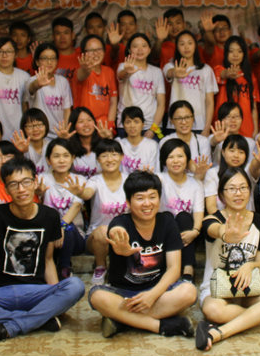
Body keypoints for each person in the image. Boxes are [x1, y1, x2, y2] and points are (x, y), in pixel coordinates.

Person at [0, 156, 86, 347]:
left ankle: (9, 325)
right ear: (6, 189)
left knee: (75, 285)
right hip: (0, 293)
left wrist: (56, 295)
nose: (21, 189)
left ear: (35, 182)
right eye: (14, 184)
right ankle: (38, 320)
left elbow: (48, 260)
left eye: (26, 182)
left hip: (36, 292)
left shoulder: (50, 216)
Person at [195, 167, 260, 352]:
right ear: (221, 194)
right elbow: (215, 230)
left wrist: (249, 266)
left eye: (243, 188)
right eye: (232, 189)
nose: (239, 193)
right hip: (217, 287)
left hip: (249, 286)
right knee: (214, 311)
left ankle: (219, 332)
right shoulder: (212, 220)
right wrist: (226, 234)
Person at [87, 171, 197, 338]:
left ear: (159, 199)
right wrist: (121, 247)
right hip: (124, 294)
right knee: (97, 296)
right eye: (140, 198)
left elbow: (174, 269)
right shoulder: (120, 222)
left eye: (152, 197)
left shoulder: (167, 222)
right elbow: (116, 231)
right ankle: (162, 325)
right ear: (128, 202)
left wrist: (151, 296)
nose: (147, 203)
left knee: (189, 292)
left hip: (158, 292)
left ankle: (122, 321)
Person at [39, 138, 94, 278]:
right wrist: (38, 193)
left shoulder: (79, 180)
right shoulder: (42, 179)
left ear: (72, 158)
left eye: (66, 155)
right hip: (49, 236)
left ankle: (64, 269)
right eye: (56, 156)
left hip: (74, 237)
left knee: (68, 228)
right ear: (48, 160)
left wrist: (61, 227)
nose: (61, 160)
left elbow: (76, 206)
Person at [157, 139, 205, 280]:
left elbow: (198, 212)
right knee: (167, 216)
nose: (175, 161)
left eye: (180, 156)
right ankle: (173, 269)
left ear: (187, 159)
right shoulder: (159, 179)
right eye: (170, 157)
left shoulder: (195, 184)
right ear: (164, 160)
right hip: (164, 229)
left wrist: (195, 231)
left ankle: (188, 268)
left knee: (184, 216)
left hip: (186, 232)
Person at [85, 139, 129, 285]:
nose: (109, 159)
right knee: (104, 230)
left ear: (122, 157)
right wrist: (80, 192)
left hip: (124, 235)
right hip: (97, 238)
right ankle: (100, 267)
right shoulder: (94, 180)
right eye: (104, 156)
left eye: (114, 154)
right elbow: (87, 193)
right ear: (98, 159)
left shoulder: (129, 180)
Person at [163, 30, 218, 135]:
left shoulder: (206, 69)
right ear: (177, 47)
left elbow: (209, 102)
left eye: (190, 43)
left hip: (199, 124)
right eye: (182, 44)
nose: (186, 47)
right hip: (175, 124)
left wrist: (207, 127)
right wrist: (175, 72)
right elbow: (169, 73)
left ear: (195, 45)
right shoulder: (170, 66)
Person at [116, 33, 166, 139]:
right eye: (135, 46)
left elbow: (161, 104)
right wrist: (127, 71)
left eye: (144, 46)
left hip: (151, 126)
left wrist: (153, 129)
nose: (140, 49)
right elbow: (121, 75)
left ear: (149, 49)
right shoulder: (123, 66)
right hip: (127, 125)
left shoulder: (157, 72)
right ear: (129, 50)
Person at [213, 36, 260, 138]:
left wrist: (255, 129)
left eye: (239, 51)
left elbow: (254, 106)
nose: (235, 55)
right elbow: (221, 74)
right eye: (231, 51)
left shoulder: (250, 76)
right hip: (223, 128)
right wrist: (228, 74)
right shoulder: (218, 69)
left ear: (244, 54)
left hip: (247, 127)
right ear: (226, 53)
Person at [26, 42, 72, 139]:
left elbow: (66, 110)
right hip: (40, 136)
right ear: (37, 62)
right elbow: (32, 88)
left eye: (52, 58)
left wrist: (65, 131)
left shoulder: (63, 81)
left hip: (59, 135)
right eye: (45, 58)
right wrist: (38, 84)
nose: (49, 62)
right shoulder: (32, 80)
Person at [76, 34, 118, 126]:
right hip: (85, 126)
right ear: (83, 53)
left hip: (104, 125)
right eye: (91, 50)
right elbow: (82, 75)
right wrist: (86, 69)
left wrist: (110, 125)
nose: (95, 53)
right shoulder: (80, 71)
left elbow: (113, 101)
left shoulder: (109, 72)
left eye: (99, 49)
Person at [115, 106, 159, 175]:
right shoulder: (119, 144)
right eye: (128, 122)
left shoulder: (152, 145)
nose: (132, 125)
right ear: (123, 125)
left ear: (143, 124)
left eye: (136, 122)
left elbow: (155, 172)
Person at [12, 108, 52, 176]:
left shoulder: (51, 146)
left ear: (46, 126)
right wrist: (21, 153)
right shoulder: (21, 145)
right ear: (24, 129)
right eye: (30, 126)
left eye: (39, 125)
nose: (35, 129)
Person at [51, 16, 83, 101]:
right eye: (58, 33)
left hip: (80, 105)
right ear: (53, 37)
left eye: (66, 33)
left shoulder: (82, 56)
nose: (62, 37)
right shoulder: (48, 59)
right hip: (55, 105)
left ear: (73, 35)